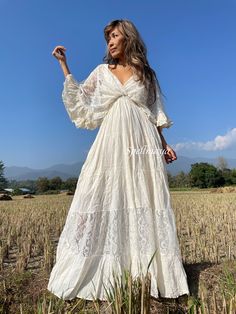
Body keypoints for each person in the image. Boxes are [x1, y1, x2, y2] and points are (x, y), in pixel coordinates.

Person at [47, 19, 190, 301]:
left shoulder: (146, 74)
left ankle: (145, 270)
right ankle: (101, 267)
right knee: (100, 191)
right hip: (111, 141)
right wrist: (64, 66)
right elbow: (81, 101)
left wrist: (164, 144)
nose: (110, 43)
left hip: (143, 140)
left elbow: (154, 111)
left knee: (143, 196)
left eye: (114, 36)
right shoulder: (102, 72)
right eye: (107, 39)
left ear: (128, 38)